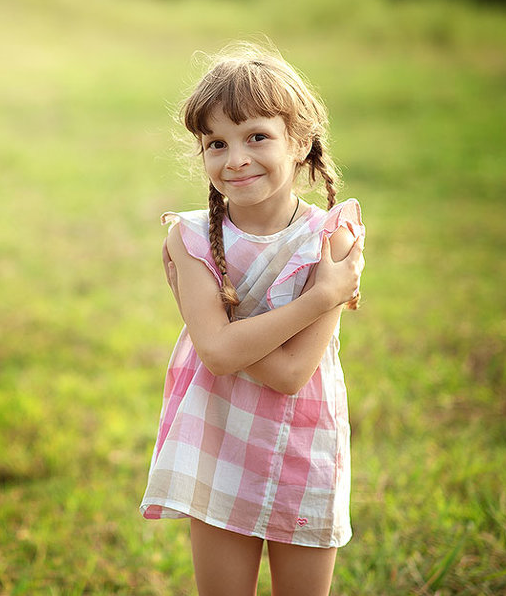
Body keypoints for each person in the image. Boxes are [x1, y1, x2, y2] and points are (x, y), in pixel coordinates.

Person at [140, 39, 366, 596]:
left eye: (256, 136)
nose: (235, 158)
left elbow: (292, 375)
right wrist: (319, 298)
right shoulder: (189, 238)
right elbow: (215, 356)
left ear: (300, 141)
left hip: (303, 448)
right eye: (216, 142)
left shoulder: (329, 239)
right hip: (217, 442)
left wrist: (223, 330)